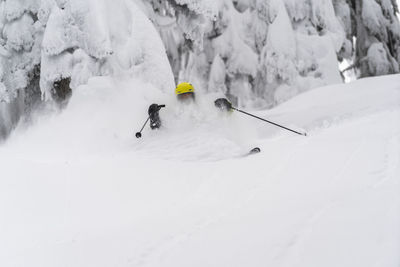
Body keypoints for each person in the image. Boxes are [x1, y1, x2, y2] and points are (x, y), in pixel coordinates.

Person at [147, 82, 231, 130]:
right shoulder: (172, 112)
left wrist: (225, 106)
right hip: (181, 147)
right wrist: (154, 116)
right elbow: (159, 130)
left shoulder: (203, 107)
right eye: (183, 96)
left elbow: (223, 119)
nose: (187, 98)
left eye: (189, 95)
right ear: (178, 98)